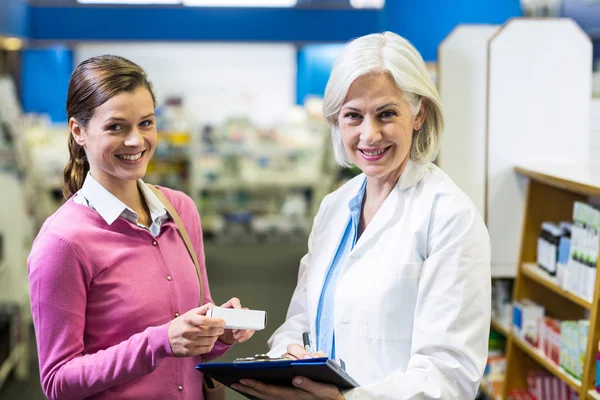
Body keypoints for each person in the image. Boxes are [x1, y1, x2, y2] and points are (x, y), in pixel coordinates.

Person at [232, 32, 491, 400]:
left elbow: (450, 375)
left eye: (386, 114)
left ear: (419, 115)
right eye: (353, 116)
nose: (369, 135)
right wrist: (284, 362)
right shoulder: (335, 206)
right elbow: (302, 320)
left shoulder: (450, 216)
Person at [27, 55, 254, 400]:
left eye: (146, 123)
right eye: (116, 127)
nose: (136, 141)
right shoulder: (63, 242)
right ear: (78, 131)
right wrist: (159, 342)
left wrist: (218, 332)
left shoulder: (180, 211)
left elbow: (194, 338)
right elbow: (58, 382)